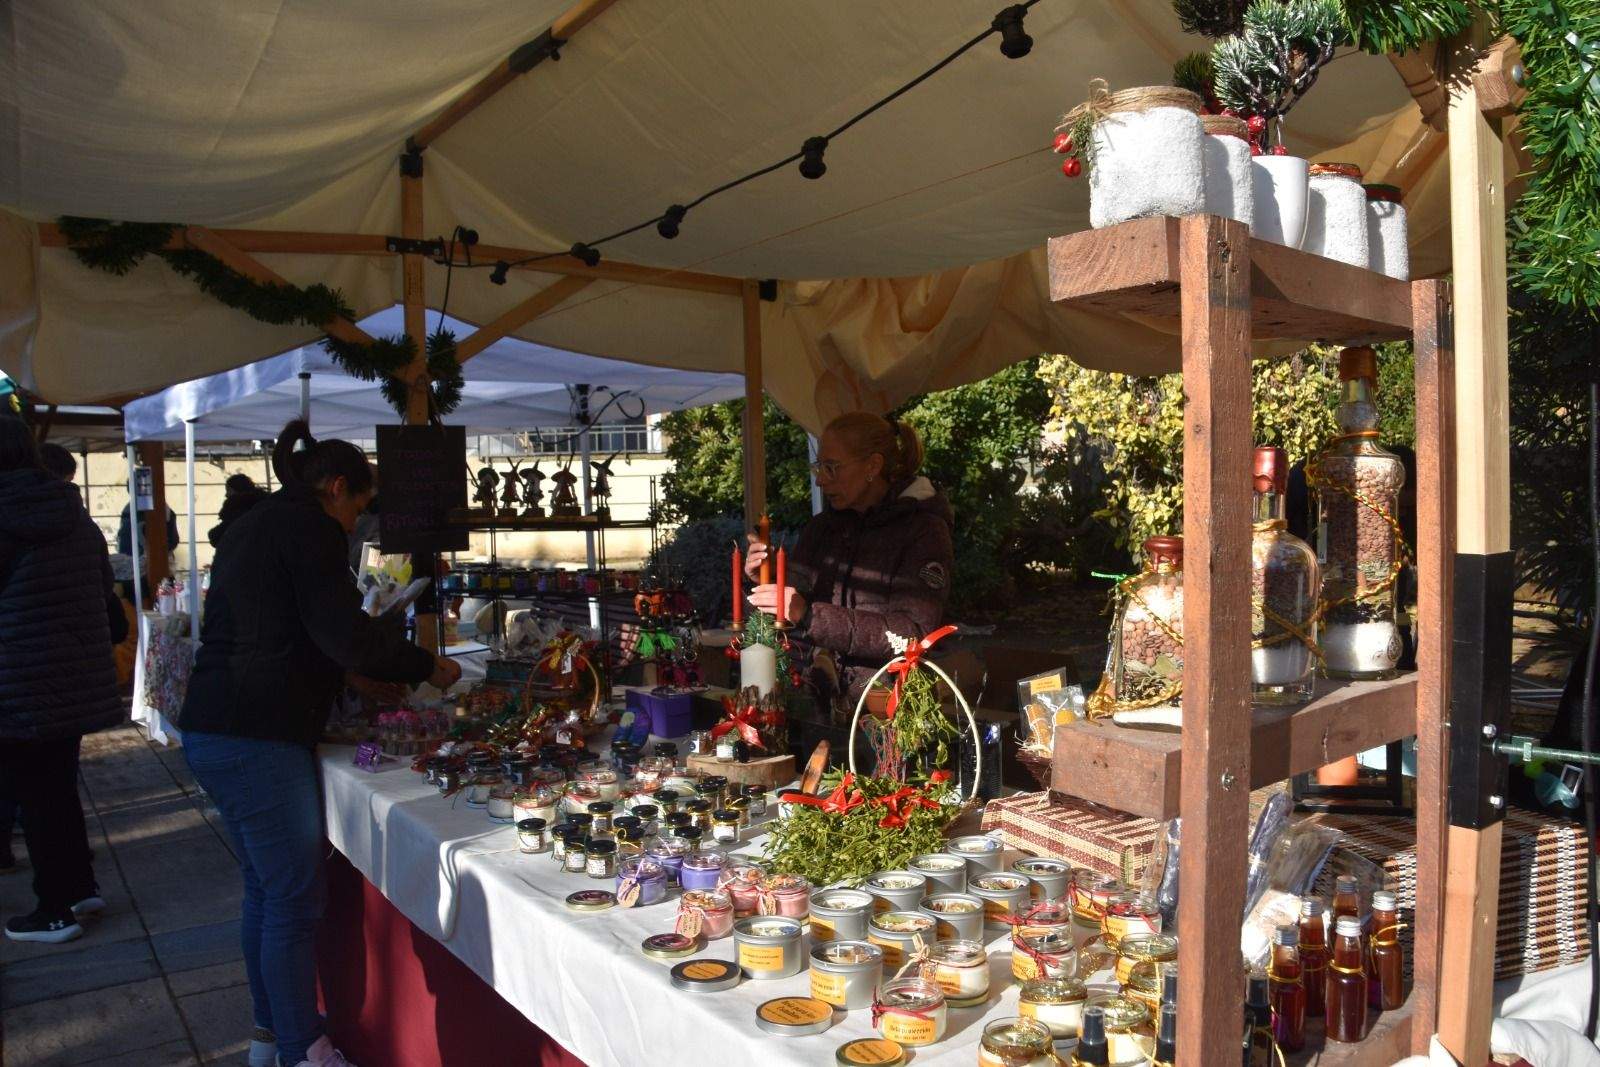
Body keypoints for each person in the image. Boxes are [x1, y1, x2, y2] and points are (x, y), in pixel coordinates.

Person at [178, 420, 461, 1067]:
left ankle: (270, 1031)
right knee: (291, 897)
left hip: (214, 723)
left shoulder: (259, 524)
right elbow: (343, 632)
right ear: (336, 488)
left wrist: (350, 670)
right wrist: (421, 663)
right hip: (255, 734)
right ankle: (303, 1048)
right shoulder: (309, 529)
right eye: (358, 507)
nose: (357, 523)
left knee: (265, 888)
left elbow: (284, 625)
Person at [0, 418, 124, 942]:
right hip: (71, 676)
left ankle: (54, 910)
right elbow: (107, 601)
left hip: (18, 680)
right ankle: (78, 886)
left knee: (37, 794)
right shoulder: (74, 514)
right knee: (57, 787)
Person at [745, 412, 955, 706]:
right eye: (820, 466)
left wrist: (809, 615)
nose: (820, 480)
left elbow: (914, 634)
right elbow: (794, 606)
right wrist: (767, 580)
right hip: (820, 703)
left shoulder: (923, 529)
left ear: (873, 465)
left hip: (887, 714)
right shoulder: (821, 528)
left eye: (832, 468)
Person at [208, 472, 270, 548]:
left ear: (237, 490)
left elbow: (217, 537)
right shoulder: (262, 506)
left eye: (228, 490)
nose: (226, 495)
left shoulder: (237, 510)